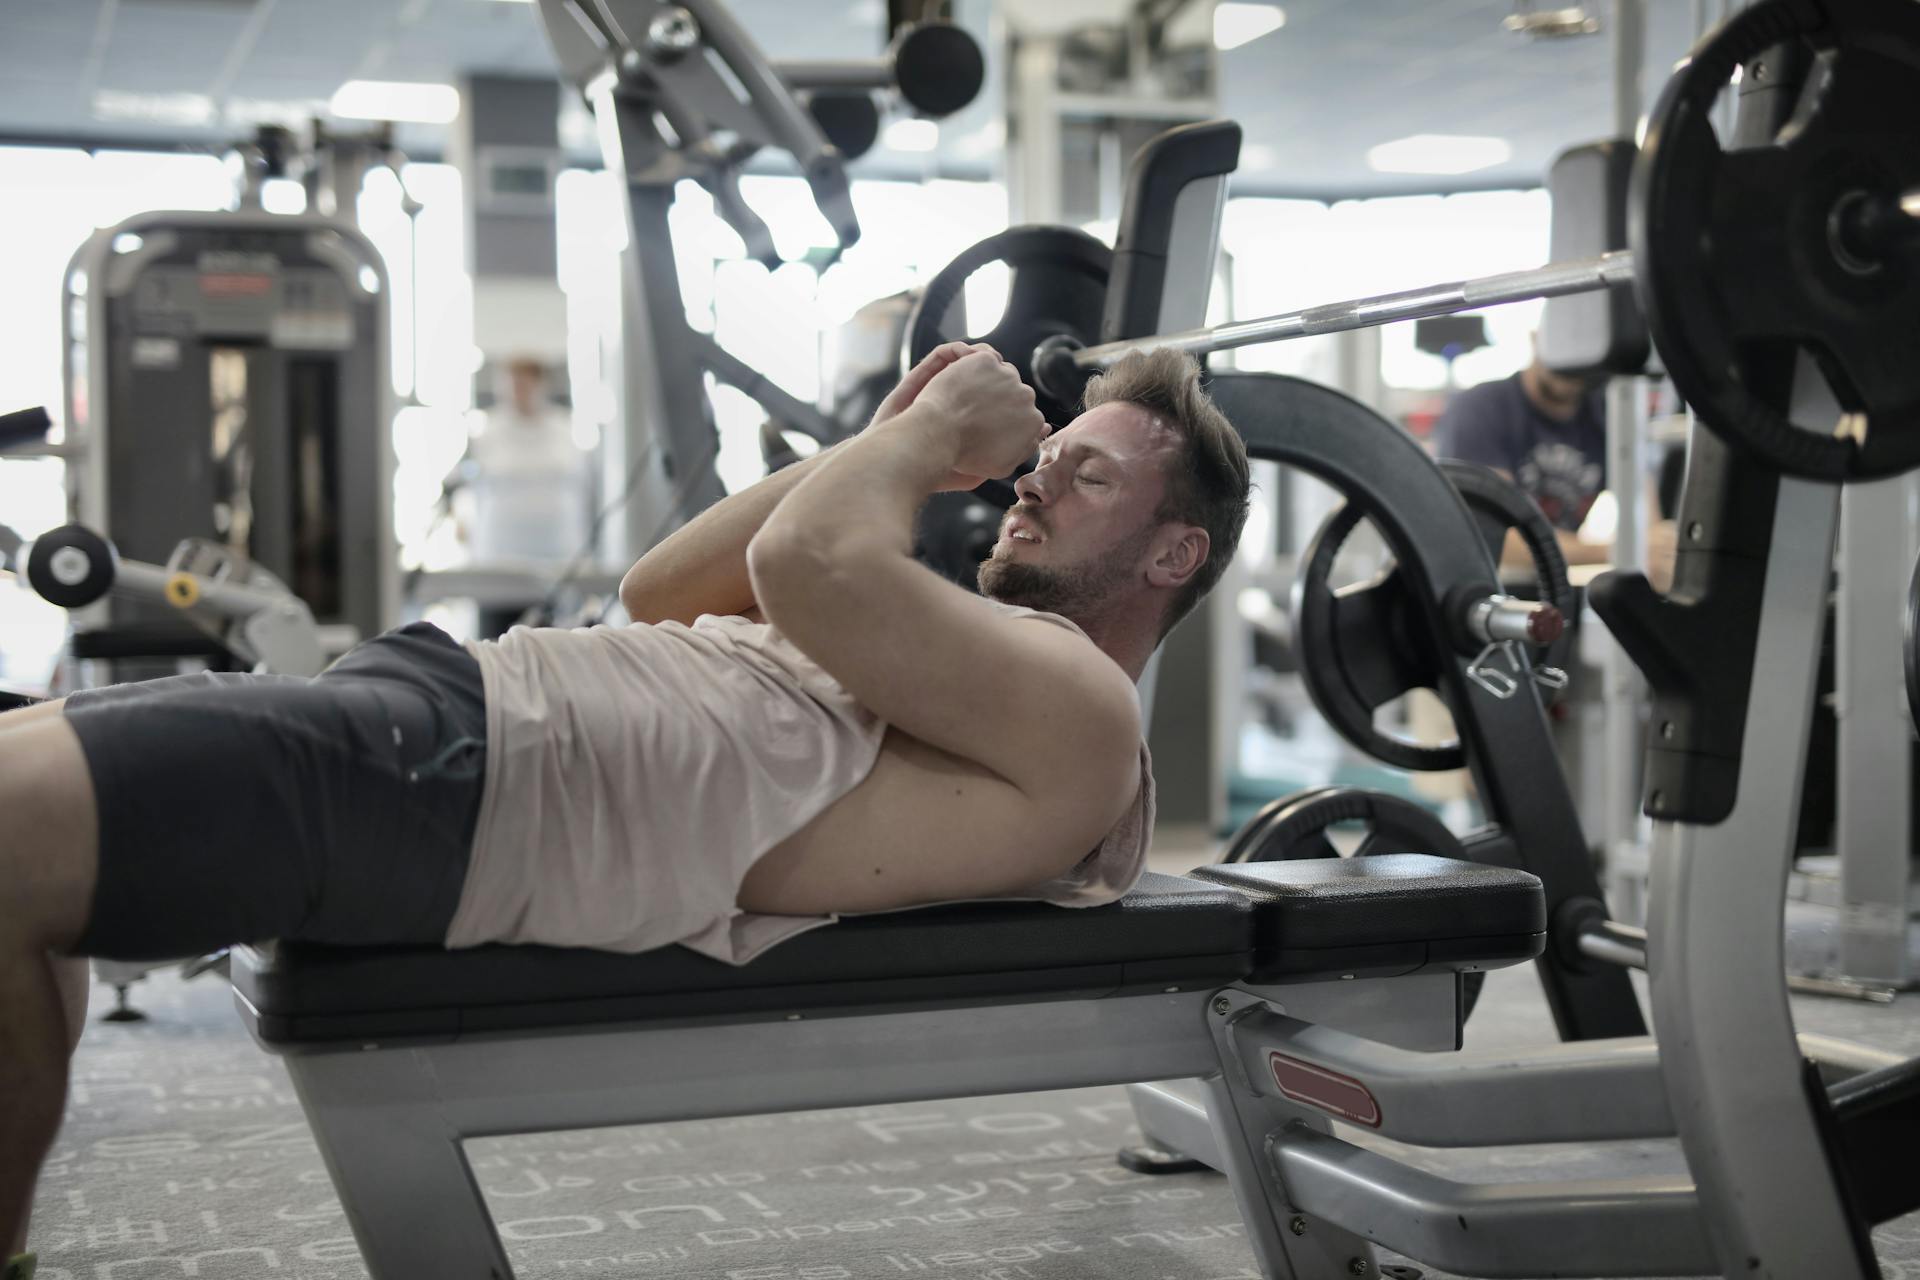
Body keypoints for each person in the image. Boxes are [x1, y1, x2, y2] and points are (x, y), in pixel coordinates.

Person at [0, 342, 1252, 1268]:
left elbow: (802, 562)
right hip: (441, 723)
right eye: (1039, 462)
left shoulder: (1083, 708)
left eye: (1079, 476)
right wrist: (888, 432)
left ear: (1172, 554)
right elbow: (662, 590)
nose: (1029, 484)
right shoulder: (975, 648)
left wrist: (917, 451)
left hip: (465, 786)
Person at [1432, 350, 1676, 587]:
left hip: (1552, 586)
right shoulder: (1481, 408)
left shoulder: (1608, 413)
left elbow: (1648, 525)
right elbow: (1494, 539)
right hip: (1481, 587)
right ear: (1537, 337)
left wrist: (1659, 556)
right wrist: (1620, 551)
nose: (1570, 359)